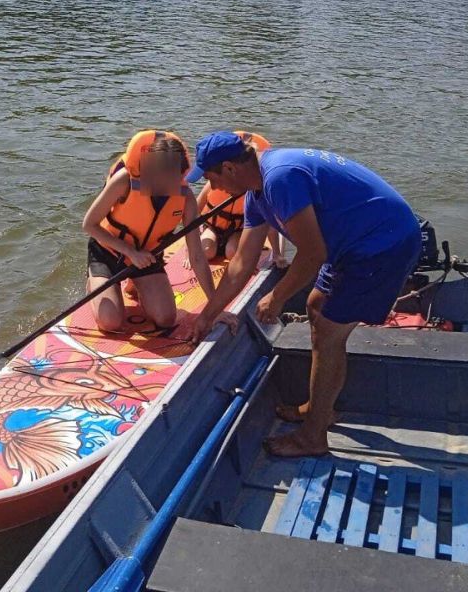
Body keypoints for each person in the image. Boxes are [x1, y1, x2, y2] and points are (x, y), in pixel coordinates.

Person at [187, 132, 420, 458]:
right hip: (350, 245)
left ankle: (312, 435)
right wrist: (207, 315)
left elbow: (312, 254)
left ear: (229, 168)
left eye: (210, 178)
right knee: (316, 307)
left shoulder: (280, 178)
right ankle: (321, 408)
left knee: (327, 331)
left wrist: (278, 296)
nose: (211, 188)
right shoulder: (256, 195)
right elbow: (241, 263)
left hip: (382, 245)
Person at [82, 129, 215, 334]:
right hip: (107, 252)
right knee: (110, 323)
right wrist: (131, 253)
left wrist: (215, 308)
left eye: (173, 178)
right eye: (159, 178)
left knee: (166, 319)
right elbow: (89, 224)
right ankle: (95, 282)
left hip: (147, 258)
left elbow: (197, 256)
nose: (165, 186)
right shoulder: (124, 181)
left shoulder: (186, 197)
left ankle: (135, 284)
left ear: (182, 173)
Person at [195, 130, 287, 268]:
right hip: (213, 227)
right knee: (205, 251)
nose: (214, 185)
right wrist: (191, 249)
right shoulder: (216, 181)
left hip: (239, 229)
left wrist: (277, 254)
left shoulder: (255, 188)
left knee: (232, 252)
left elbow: (269, 224)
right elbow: (194, 212)